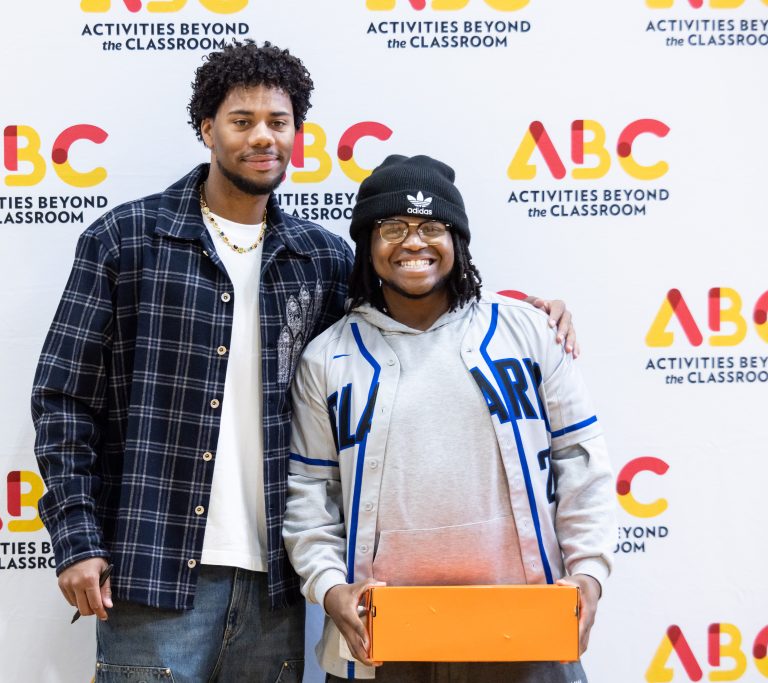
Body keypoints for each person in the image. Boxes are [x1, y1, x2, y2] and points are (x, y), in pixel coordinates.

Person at [32, 41, 578, 682]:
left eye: (278, 121)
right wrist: (77, 539)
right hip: (152, 569)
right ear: (207, 129)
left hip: (276, 587)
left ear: (297, 133)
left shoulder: (320, 259)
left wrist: (529, 314)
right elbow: (63, 399)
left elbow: (411, 310)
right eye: (242, 121)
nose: (262, 137)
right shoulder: (127, 241)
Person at [283, 154, 616, 682]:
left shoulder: (528, 330)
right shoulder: (328, 357)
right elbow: (310, 493)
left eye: (432, 227)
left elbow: (581, 465)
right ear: (367, 244)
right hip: (379, 641)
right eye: (393, 227)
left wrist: (589, 575)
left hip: (527, 631)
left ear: (457, 240)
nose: (414, 243)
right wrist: (329, 588)